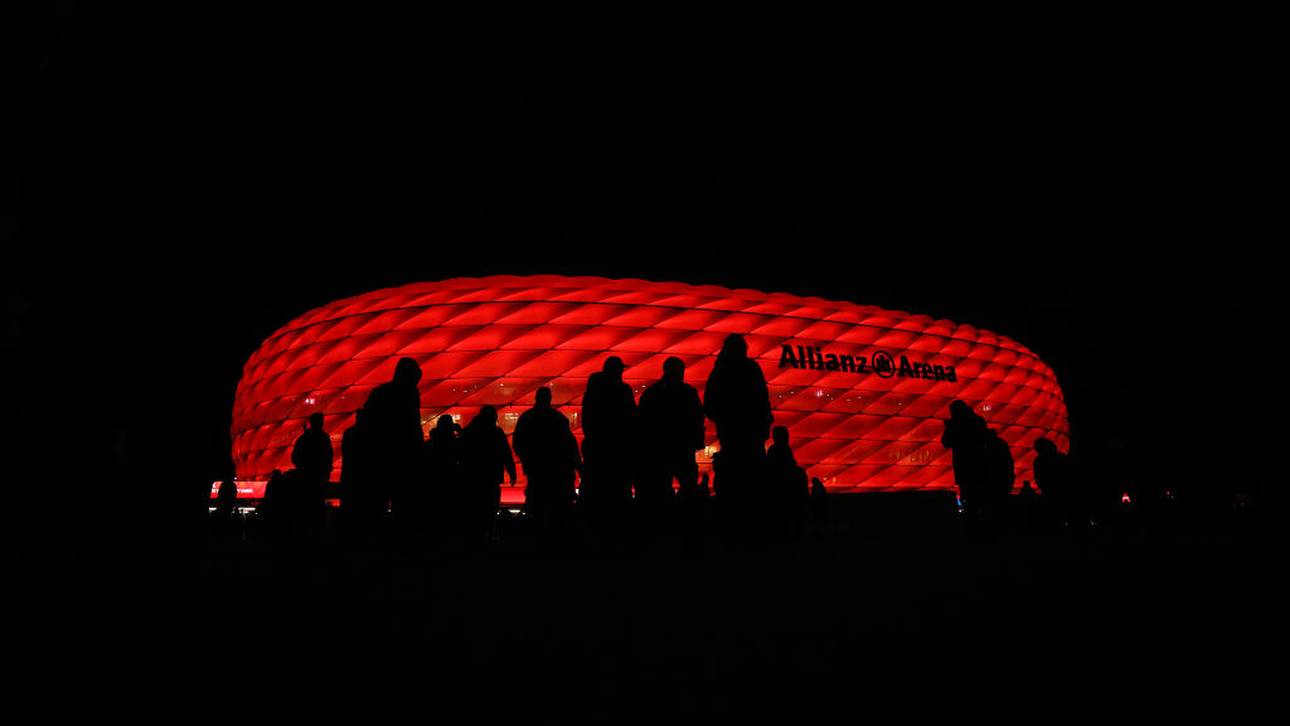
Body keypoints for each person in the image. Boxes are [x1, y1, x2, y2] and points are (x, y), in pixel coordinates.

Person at [703, 334, 772, 509]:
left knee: (731, 474)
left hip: (729, 431)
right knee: (753, 477)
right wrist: (763, 423)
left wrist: (721, 417)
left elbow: (709, 403)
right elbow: (762, 398)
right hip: (752, 432)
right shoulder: (751, 368)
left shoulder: (719, 371)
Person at [636, 356, 705, 519]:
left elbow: (643, 420)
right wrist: (697, 440)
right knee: (688, 484)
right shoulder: (688, 392)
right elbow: (697, 417)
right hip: (682, 446)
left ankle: (663, 520)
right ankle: (687, 519)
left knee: (661, 485)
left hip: (659, 448)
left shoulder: (652, 393)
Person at [360, 357, 424, 521]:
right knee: (400, 507)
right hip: (395, 458)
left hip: (383, 458)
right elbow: (413, 427)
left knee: (378, 506)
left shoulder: (382, 392)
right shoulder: (408, 394)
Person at [513, 387, 582, 538]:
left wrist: (527, 460)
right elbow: (570, 446)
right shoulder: (558, 419)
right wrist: (578, 467)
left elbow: (518, 443)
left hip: (536, 470)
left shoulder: (527, 418)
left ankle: (538, 537)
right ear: (550, 399)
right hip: (557, 472)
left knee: (537, 506)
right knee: (556, 508)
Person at [580, 357, 637, 522]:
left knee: (596, 486)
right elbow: (632, 416)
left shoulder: (592, 391)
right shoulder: (622, 390)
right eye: (619, 369)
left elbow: (587, 420)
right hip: (618, 448)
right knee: (619, 488)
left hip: (596, 446)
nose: (622, 372)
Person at [459, 405, 516, 545]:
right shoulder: (496, 433)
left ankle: (474, 537)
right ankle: (488, 535)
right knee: (490, 507)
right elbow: (506, 454)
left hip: (472, 477)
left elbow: (460, 453)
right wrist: (512, 472)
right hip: (492, 476)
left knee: (474, 507)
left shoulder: (469, 431)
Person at [941, 400, 988, 514]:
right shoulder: (978, 421)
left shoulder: (956, 424)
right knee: (981, 498)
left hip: (964, 466)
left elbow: (946, 442)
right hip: (981, 466)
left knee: (969, 499)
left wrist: (948, 427)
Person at [766, 425, 809, 536]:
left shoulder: (775, 450)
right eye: (786, 436)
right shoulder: (779, 450)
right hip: (784, 487)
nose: (787, 439)